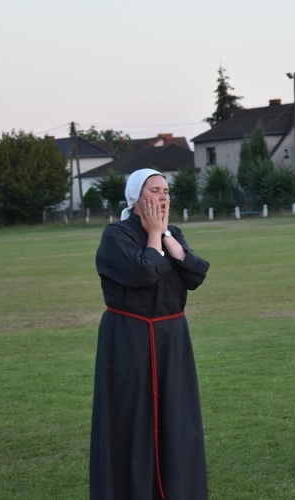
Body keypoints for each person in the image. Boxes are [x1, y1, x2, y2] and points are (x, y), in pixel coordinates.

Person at [90, 168, 210, 499]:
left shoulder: (173, 233)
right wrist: (155, 235)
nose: (162, 197)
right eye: (154, 190)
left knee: (175, 418)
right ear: (135, 197)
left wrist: (166, 235)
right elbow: (145, 273)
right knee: (133, 418)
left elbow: (196, 274)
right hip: (131, 339)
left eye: (166, 191)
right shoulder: (116, 236)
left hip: (171, 339)